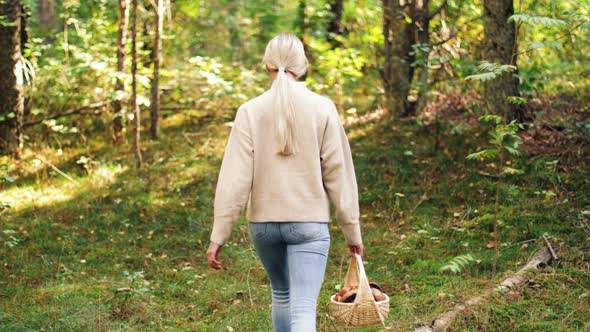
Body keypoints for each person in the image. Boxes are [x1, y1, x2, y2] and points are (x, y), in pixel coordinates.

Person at [206, 33, 363, 332]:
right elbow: (339, 174)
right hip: (309, 226)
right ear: (302, 66)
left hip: (264, 227)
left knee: (282, 296)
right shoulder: (322, 108)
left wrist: (219, 235)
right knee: (303, 308)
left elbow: (234, 180)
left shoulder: (249, 111)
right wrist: (352, 231)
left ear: (266, 65)